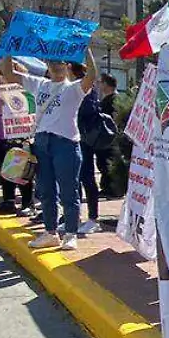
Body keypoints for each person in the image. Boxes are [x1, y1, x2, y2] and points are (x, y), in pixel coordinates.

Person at [0, 51, 95, 250]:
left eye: (61, 62)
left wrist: (86, 50)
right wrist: (8, 49)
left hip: (66, 144)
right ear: (47, 66)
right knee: (46, 191)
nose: (57, 65)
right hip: (42, 142)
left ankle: (70, 233)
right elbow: (8, 73)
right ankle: (50, 232)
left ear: (68, 66)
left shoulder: (74, 89)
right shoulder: (39, 84)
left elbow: (91, 77)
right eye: (53, 62)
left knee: (69, 191)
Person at [77, 74, 120, 233]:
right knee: (80, 178)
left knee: (90, 176)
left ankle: (92, 216)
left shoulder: (91, 96)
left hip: (92, 141)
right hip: (83, 140)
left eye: (101, 82)